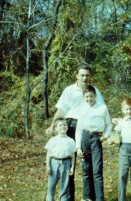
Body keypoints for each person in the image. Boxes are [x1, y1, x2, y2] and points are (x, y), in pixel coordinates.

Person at [46, 64, 105, 201]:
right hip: (70, 126)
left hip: (86, 129)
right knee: (68, 163)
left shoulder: (94, 91)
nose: (85, 78)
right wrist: (52, 125)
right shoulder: (69, 90)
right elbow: (61, 110)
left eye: (87, 75)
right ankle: (68, 198)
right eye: (82, 75)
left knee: (87, 165)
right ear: (76, 75)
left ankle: (89, 197)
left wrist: (103, 130)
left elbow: (102, 110)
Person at [75, 85, 112, 201]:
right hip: (84, 138)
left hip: (96, 138)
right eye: (86, 97)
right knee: (86, 170)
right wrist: (78, 147)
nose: (89, 99)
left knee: (97, 170)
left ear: (95, 96)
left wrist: (105, 136)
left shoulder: (102, 108)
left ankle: (99, 198)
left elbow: (109, 124)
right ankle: (87, 198)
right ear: (83, 97)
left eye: (91, 96)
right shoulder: (81, 108)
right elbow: (79, 129)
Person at [45, 117, 76, 201]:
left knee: (64, 186)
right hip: (54, 162)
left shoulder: (70, 140)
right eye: (60, 125)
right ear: (56, 128)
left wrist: (72, 167)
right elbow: (48, 154)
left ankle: (63, 199)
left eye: (64, 125)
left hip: (66, 163)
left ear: (67, 127)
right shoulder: (53, 140)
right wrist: (48, 166)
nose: (63, 127)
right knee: (51, 185)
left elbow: (73, 155)